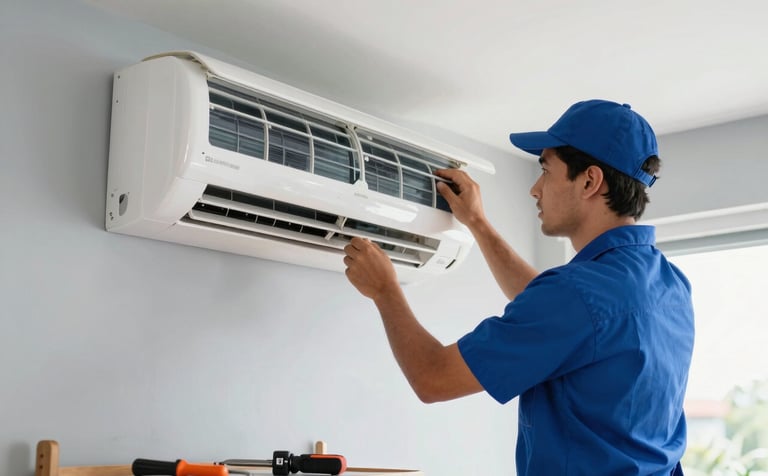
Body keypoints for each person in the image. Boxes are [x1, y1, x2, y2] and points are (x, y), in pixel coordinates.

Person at [343, 99, 694, 475]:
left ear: (590, 181)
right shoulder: (669, 285)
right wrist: (477, 223)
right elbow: (559, 313)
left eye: (546, 170)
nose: (535, 189)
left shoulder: (575, 296)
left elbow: (433, 378)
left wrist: (385, 290)